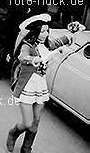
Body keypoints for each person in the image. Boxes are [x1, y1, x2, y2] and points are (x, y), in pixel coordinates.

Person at [5, 14, 85, 153]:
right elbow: (22, 57)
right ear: (35, 32)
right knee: (28, 122)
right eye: (43, 31)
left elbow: (61, 41)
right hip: (27, 86)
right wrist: (33, 59)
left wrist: (74, 32)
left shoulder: (47, 44)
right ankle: (13, 133)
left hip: (40, 86)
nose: (46, 34)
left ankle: (26, 148)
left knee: (36, 121)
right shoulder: (27, 45)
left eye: (47, 31)